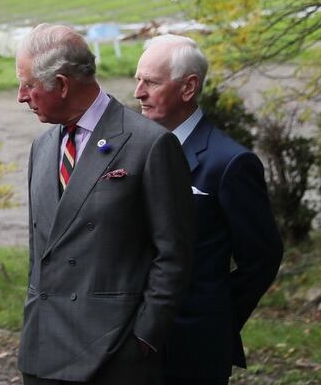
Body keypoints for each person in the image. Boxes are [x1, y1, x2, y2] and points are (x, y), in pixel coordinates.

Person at [15, 23, 194, 385]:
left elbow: (174, 253)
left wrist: (143, 338)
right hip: (42, 351)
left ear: (62, 85)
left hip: (111, 356)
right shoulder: (44, 146)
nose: (21, 96)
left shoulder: (149, 144)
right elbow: (41, 250)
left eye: (29, 85)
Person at [134, 35, 284, 385]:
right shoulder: (130, 148)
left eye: (151, 82)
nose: (139, 92)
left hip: (192, 350)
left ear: (189, 88)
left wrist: (213, 317)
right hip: (125, 343)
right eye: (137, 79)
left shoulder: (230, 163)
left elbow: (262, 258)